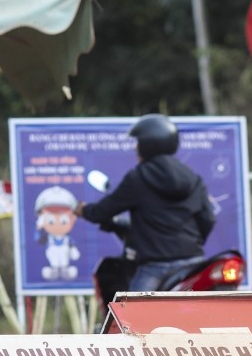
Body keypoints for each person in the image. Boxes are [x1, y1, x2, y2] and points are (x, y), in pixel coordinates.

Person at [73, 114, 216, 292]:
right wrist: (191, 244)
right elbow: (208, 219)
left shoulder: (138, 178)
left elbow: (103, 211)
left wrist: (83, 209)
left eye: (138, 143)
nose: (136, 149)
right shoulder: (193, 178)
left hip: (155, 267)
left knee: (132, 315)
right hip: (193, 263)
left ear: (148, 145)